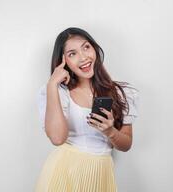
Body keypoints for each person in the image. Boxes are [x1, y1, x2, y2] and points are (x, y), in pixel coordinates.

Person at [35, 27, 139, 192]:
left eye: (86, 47)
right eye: (72, 54)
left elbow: (126, 144)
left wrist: (110, 131)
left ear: (94, 48)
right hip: (64, 173)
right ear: (63, 62)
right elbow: (57, 138)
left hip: (101, 174)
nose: (83, 57)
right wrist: (52, 84)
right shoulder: (58, 92)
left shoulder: (122, 92)